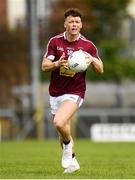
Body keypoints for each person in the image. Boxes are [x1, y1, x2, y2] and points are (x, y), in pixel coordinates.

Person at [42, 8, 103, 173]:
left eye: (77, 22)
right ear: (65, 24)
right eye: (71, 21)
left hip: (75, 91)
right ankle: (73, 161)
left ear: (81, 25)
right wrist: (56, 64)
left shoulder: (87, 46)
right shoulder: (55, 42)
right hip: (55, 92)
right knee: (63, 130)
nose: (74, 24)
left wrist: (92, 60)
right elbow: (44, 66)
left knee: (59, 122)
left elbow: (100, 69)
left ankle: (68, 147)